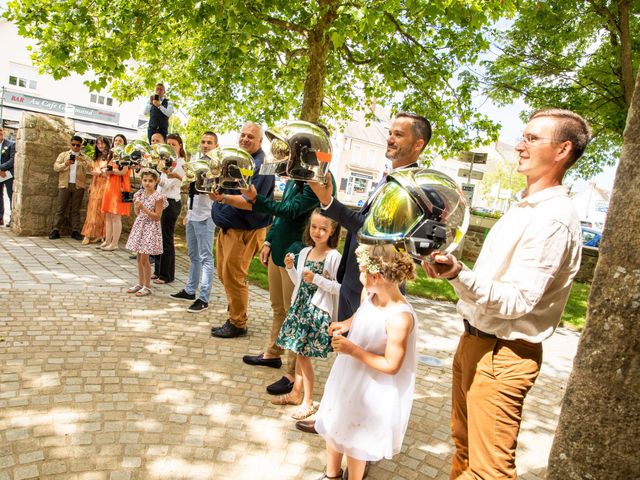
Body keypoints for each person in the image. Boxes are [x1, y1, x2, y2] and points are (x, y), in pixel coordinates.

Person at [422, 108, 590, 480]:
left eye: (532, 138)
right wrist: (453, 272)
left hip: (505, 353)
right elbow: (492, 281)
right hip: (475, 342)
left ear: (562, 150)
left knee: (488, 472)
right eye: (523, 137)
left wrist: (458, 273)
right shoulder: (524, 207)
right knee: (464, 450)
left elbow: (517, 301)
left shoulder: (554, 218)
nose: (519, 145)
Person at [299, 112, 431, 434]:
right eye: (390, 132)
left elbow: (372, 233)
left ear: (418, 144)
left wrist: (329, 202)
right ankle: (332, 415)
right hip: (358, 279)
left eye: (398, 134)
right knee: (348, 353)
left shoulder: (411, 189)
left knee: (366, 356)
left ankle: (360, 444)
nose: (390, 138)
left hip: (377, 285)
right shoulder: (391, 179)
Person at [315, 244, 417, 480]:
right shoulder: (369, 295)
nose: (359, 277)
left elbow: (392, 365)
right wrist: (347, 323)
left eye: (362, 271)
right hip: (348, 373)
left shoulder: (399, 317)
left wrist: (352, 349)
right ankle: (331, 475)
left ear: (377, 276)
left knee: (355, 436)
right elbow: (363, 314)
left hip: (372, 385)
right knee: (335, 420)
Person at [270, 210, 341, 420]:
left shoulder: (333, 257)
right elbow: (299, 281)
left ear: (332, 231)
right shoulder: (305, 252)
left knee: (303, 356)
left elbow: (339, 288)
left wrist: (318, 279)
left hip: (316, 312)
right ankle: (296, 394)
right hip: (300, 308)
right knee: (299, 353)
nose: (317, 232)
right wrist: (291, 268)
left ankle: (307, 401)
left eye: (323, 229)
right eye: (314, 227)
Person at [210, 122, 275, 338]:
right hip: (228, 228)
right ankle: (235, 313)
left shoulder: (264, 164)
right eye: (243, 135)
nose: (245, 139)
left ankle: (238, 323)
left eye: (251, 137)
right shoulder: (238, 158)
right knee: (224, 274)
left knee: (235, 277)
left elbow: (251, 202)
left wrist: (223, 198)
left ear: (260, 141)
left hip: (245, 231)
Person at [169, 131, 217, 313]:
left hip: (207, 214)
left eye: (209, 142)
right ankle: (190, 290)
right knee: (193, 255)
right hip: (193, 212)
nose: (205, 145)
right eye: (203, 142)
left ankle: (203, 298)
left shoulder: (216, 166)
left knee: (206, 257)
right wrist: (187, 213)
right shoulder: (196, 162)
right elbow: (190, 189)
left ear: (215, 146)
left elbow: (210, 189)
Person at [125, 169, 167, 297]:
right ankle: (140, 283)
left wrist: (143, 207)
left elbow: (157, 216)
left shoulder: (158, 197)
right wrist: (137, 207)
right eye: (145, 180)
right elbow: (137, 214)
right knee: (139, 256)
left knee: (144, 258)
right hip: (140, 225)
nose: (147, 183)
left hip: (151, 227)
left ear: (156, 182)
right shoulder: (139, 194)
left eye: (150, 181)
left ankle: (147, 286)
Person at [153, 133, 185, 284]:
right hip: (160, 200)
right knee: (158, 237)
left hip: (171, 202)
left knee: (166, 238)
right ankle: (158, 270)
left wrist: (161, 179)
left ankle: (166, 275)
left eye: (174, 144)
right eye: (169, 144)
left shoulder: (181, 164)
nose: (171, 146)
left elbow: (168, 186)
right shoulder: (165, 161)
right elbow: (161, 185)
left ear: (180, 146)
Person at [49, 135, 91, 240]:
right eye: (73, 144)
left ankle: (75, 231)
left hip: (79, 186)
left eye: (78, 145)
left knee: (76, 210)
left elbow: (91, 168)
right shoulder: (63, 155)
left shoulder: (84, 157)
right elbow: (56, 167)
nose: (75, 147)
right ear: (70, 144)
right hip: (64, 184)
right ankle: (55, 230)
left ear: (81, 146)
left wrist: (83, 162)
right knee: (60, 208)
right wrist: (65, 164)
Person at [100, 134, 131, 251]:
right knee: (108, 215)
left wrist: (111, 171)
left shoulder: (125, 156)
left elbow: (123, 171)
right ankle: (108, 241)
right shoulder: (112, 156)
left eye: (120, 141)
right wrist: (105, 171)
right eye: (116, 140)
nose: (117, 142)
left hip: (119, 186)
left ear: (124, 143)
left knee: (116, 216)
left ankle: (115, 243)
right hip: (110, 186)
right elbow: (109, 170)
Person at [81, 136, 110, 244]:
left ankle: (102, 235)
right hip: (95, 184)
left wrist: (101, 173)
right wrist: (90, 185)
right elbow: (93, 173)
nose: (100, 146)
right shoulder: (96, 158)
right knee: (92, 210)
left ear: (107, 144)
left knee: (102, 210)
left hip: (105, 185)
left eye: (102, 143)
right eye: (98, 144)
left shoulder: (110, 157)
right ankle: (88, 234)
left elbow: (110, 174)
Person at [0, 127, 16, 227]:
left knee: (10, 196)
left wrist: (1, 168)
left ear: (3, 132)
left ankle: (12, 218)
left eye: (0, 131)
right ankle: (0, 218)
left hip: (8, 174)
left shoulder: (11, 144)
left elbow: (12, 160)